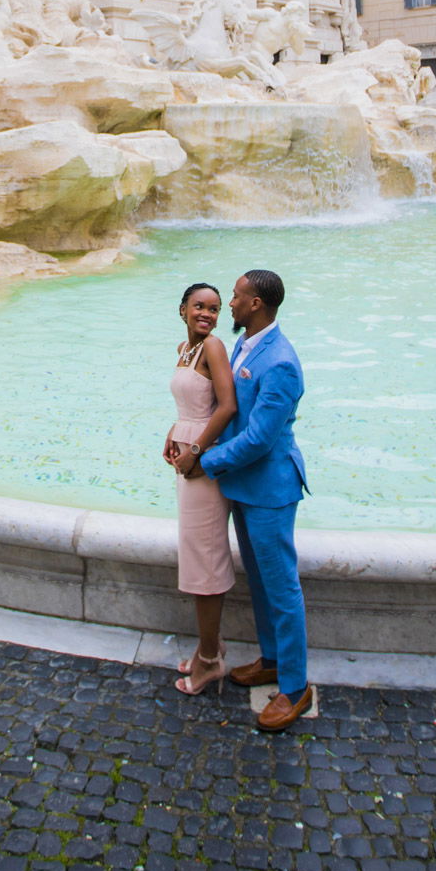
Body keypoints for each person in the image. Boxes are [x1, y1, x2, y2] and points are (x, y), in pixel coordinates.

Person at [174, 267, 313, 731]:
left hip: (270, 488)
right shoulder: (246, 343)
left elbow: (259, 438)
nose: (227, 305)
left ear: (255, 305)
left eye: (234, 298)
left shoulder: (281, 361)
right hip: (243, 485)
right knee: (260, 580)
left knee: (282, 586)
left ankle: (294, 687)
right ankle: (272, 659)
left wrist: (205, 461)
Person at [164, 283, 237, 696]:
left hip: (202, 464)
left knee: (204, 559)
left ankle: (209, 661)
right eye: (198, 307)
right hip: (188, 457)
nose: (206, 314)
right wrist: (174, 431)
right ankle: (211, 645)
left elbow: (226, 406)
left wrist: (194, 450)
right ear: (182, 310)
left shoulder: (214, 348)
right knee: (197, 553)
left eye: (213, 308)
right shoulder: (184, 349)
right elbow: (194, 405)